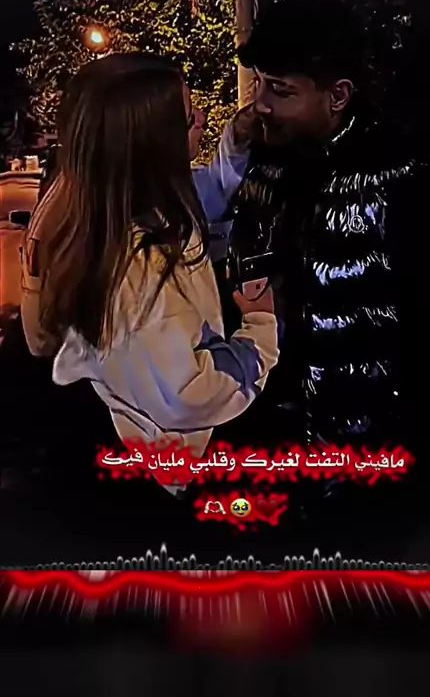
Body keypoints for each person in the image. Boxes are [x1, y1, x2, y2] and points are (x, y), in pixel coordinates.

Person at [209, 0, 430, 557]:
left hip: (375, 470)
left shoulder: (402, 179)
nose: (260, 104)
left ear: (338, 95)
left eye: (280, 89)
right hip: (269, 450)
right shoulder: (267, 163)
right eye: (260, 83)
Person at [20, 53, 279, 486]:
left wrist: (237, 137)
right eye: (187, 117)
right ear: (153, 144)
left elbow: (212, 190)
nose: (200, 119)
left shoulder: (105, 215)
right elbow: (187, 395)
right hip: (168, 467)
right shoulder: (141, 266)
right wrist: (259, 332)